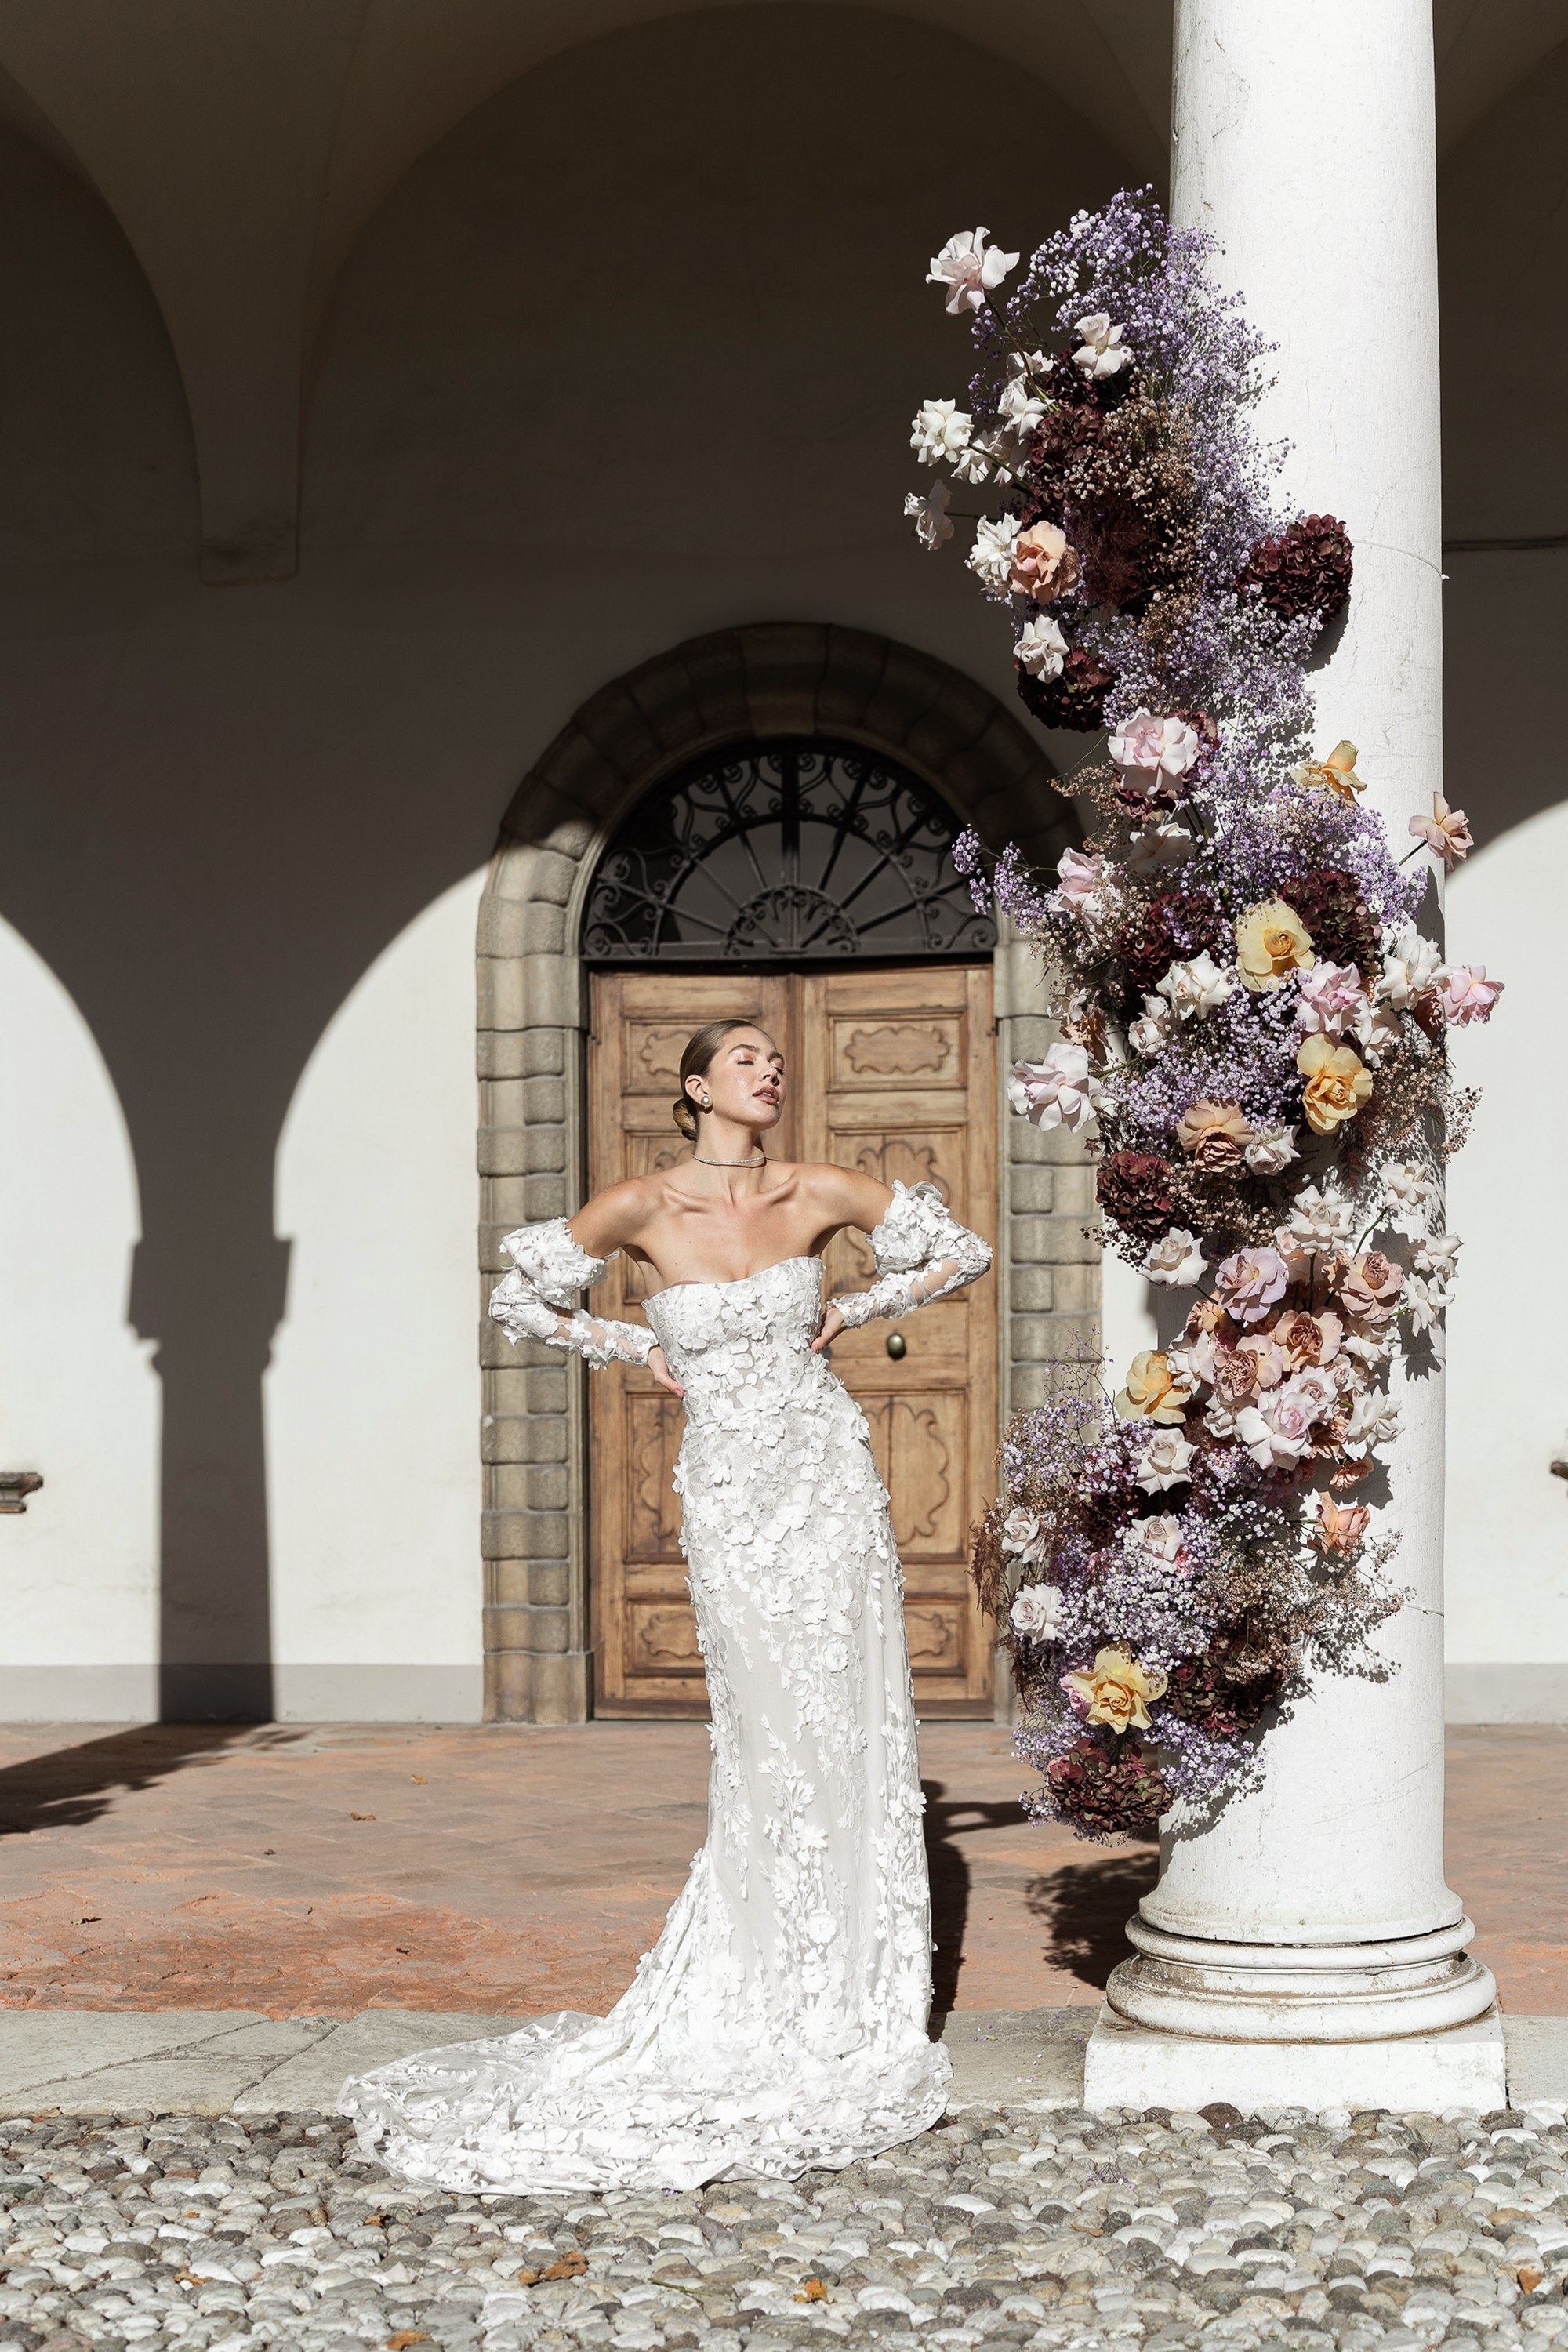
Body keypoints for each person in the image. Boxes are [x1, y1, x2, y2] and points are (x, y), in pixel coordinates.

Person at [340, 1018, 993, 2192]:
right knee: (770, 1732)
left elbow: (962, 1255)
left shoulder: (818, 1188)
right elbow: (519, 1303)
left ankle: (847, 1988)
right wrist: (623, 1340)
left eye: (773, 1058)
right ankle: (767, 1971)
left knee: (848, 1716)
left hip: (825, 1478)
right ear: (695, 1088)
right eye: (743, 1057)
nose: (770, 1068)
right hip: (734, 1492)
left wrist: (856, 1308)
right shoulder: (640, 1207)